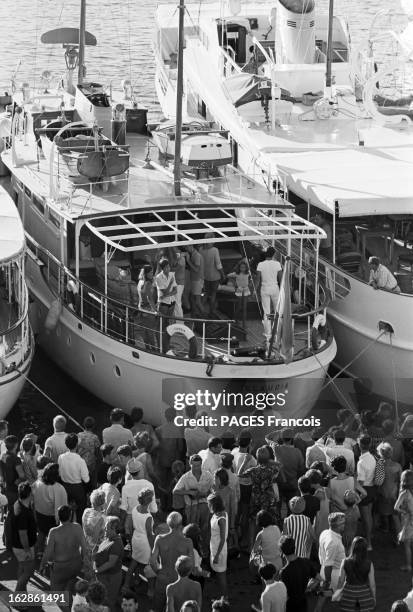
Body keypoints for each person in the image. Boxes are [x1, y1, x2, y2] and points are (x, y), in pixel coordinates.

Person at [150, 512, 194, 612]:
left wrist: (158, 572)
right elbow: (192, 565)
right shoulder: (187, 542)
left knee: (157, 608)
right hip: (178, 580)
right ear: (181, 525)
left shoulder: (160, 539)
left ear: (168, 524)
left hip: (162, 578)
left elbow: (152, 561)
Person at [40, 504, 88, 595]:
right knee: (69, 589)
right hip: (75, 565)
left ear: (58, 516)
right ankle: (68, 607)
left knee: (57, 594)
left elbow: (48, 552)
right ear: (70, 516)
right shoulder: (77, 527)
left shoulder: (54, 532)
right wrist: (85, 563)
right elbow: (84, 547)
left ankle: (65, 607)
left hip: (60, 568)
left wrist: (42, 565)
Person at [173, 454, 213, 547]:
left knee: (205, 528)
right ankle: (192, 548)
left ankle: (204, 548)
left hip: (205, 506)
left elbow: (214, 488)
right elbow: (175, 491)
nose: (196, 468)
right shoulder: (185, 477)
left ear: (201, 464)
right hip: (191, 507)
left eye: (198, 465)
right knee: (192, 530)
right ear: (190, 464)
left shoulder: (208, 475)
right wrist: (189, 492)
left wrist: (206, 493)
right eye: (194, 465)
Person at [124, 487, 155, 597]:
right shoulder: (148, 517)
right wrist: (153, 549)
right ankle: (150, 590)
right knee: (149, 567)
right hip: (145, 543)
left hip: (136, 539)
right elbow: (149, 535)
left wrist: (132, 538)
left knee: (134, 562)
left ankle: (127, 584)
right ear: (150, 501)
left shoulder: (134, 509)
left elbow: (132, 526)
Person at [32, 462, 68, 553]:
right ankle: (51, 555)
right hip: (52, 518)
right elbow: (63, 507)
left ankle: (39, 552)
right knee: (53, 538)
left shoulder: (37, 483)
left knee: (41, 533)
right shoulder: (59, 488)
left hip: (39, 514)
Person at [120, 457, 157, 541]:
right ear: (140, 471)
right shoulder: (149, 485)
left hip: (131, 520)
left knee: (133, 544)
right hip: (145, 518)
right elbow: (153, 509)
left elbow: (124, 508)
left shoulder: (125, 487)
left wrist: (122, 523)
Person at [336, 536, 376, 612]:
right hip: (364, 596)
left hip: (348, 595)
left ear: (353, 547)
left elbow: (341, 581)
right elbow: (372, 585)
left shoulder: (344, 562)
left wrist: (338, 595)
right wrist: (374, 598)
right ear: (365, 549)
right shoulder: (369, 564)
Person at [279, 535, 318, 612]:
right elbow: (318, 578)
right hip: (303, 604)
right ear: (294, 547)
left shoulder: (284, 572)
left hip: (290, 607)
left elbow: (284, 595)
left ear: (282, 551)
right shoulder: (306, 562)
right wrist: (308, 588)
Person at [93, 516, 124, 611]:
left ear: (114, 528)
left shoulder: (117, 543)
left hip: (110, 578)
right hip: (102, 576)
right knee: (101, 600)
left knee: (109, 602)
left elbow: (111, 563)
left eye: (107, 527)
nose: (104, 529)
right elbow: (98, 551)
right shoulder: (108, 538)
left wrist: (97, 570)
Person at [11, 482, 37, 593]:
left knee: (22, 568)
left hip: (17, 546)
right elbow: (23, 535)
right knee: (29, 571)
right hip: (23, 548)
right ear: (29, 494)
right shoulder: (23, 513)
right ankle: (18, 598)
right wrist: (27, 551)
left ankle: (22, 592)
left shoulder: (19, 504)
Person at [58, 433, 90, 523]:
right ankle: (78, 526)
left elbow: (60, 474)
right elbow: (86, 479)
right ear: (77, 445)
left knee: (66, 511)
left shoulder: (61, 457)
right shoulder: (80, 460)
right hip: (77, 489)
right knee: (80, 512)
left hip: (65, 487)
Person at [268, 428, 305, 504]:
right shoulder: (298, 452)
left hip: (279, 483)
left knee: (278, 506)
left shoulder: (276, 448)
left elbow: (267, 437)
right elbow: (301, 468)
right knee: (292, 506)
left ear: (281, 438)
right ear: (292, 438)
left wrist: (279, 431)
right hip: (293, 484)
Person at [256, 246, 282, 341]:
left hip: (265, 288)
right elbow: (281, 279)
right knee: (277, 311)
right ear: (273, 254)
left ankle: (268, 334)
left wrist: (255, 290)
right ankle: (277, 332)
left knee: (266, 311)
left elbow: (257, 280)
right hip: (275, 288)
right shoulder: (277, 264)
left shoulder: (260, 264)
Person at [376, 441, 401, 536]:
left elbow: (378, 482)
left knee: (385, 513)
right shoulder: (397, 466)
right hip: (395, 493)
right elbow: (401, 481)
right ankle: (399, 534)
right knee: (395, 516)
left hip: (383, 493)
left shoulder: (380, 465)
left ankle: (386, 528)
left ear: (381, 454)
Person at [357, 435, 376, 551]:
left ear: (360, 445)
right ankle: (369, 536)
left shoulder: (361, 462)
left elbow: (361, 483)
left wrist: (354, 482)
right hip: (372, 489)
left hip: (365, 490)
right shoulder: (373, 457)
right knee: (368, 515)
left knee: (366, 517)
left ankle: (368, 542)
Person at [318, 512, 346, 593]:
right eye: (343, 523)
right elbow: (328, 565)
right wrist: (328, 582)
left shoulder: (325, 532)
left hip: (325, 570)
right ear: (337, 525)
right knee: (336, 599)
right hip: (334, 574)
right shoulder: (333, 542)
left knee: (325, 598)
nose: (344, 525)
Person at [155, 258, 177, 352]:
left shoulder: (172, 274)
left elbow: (175, 290)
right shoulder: (158, 277)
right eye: (167, 267)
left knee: (168, 326)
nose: (169, 268)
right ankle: (162, 346)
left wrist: (166, 295)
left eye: (169, 266)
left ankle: (167, 345)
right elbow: (166, 291)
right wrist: (171, 283)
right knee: (161, 327)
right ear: (162, 268)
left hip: (171, 303)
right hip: (163, 304)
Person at [200, 233, 225, 315]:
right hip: (215, 276)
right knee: (213, 294)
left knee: (206, 293)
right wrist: (223, 275)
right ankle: (212, 312)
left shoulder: (201, 249)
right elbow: (218, 265)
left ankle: (200, 310)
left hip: (205, 276)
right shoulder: (215, 250)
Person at [208, 493, 228, 596]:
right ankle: (221, 596)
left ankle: (224, 599)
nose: (208, 505)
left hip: (219, 551)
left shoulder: (221, 519)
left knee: (221, 576)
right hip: (214, 548)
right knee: (218, 575)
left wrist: (216, 556)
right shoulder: (217, 514)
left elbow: (223, 539)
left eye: (209, 503)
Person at [394, 469, 413, 571]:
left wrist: (404, 511)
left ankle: (408, 565)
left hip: (408, 521)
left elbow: (396, 507)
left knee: (407, 545)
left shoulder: (404, 493)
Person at [137, 264, 158, 351]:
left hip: (140, 309)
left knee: (144, 331)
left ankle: (147, 348)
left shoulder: (140, 282)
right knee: (150, 332)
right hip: (148, 310)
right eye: (151, 272)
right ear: (146, 273)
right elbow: (149, 298)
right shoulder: (148, 283)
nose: (152, 274)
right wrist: (155, 310)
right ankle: (153, 350)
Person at [82, 489, 106, 566]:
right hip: (94, 550)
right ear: (102, 503)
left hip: (85, 544)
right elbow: (95, 539)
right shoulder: (101, 518)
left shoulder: (86, 511)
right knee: (92, 570)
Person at [182, 523, 210, 589]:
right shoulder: (193, 552)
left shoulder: (183, 547)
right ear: (196, 537)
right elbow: (195, 572)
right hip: (195, 579)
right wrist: (207, 574)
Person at [77, 417, 101, 487]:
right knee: (91, 484)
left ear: (84, 425)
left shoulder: (79, 435)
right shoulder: (95, 437)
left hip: (80, 464)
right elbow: (98, 453)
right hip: (90, 466)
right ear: (93, 426)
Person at [213, 468, 236, 533]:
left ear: (222, 479)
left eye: (216, 478)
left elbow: (233, 510)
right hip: (214, 522)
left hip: (225, 522)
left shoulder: (230, 491)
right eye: (214, 478)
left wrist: (232, 526)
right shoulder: (213, 490)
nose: (214, 480)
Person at [186, 244, 205, 317]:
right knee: (192, 299)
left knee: (197, 301)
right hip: (195, 280)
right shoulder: (193, 254)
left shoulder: (196, 255)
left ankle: (204, 319)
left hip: (197, 280)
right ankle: (194, 315)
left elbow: (196, 269)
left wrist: (188, 261)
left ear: (191, 246)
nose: (186, 249)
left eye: (187, 247)